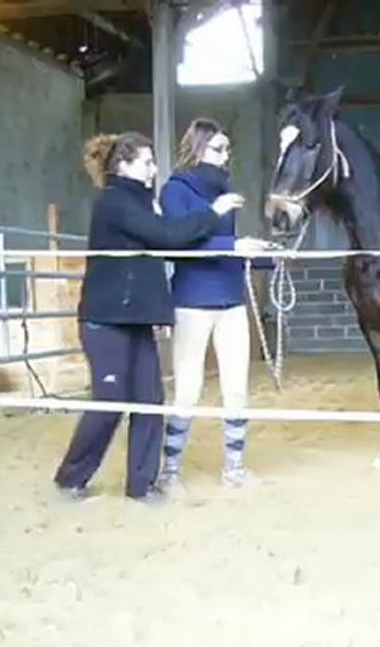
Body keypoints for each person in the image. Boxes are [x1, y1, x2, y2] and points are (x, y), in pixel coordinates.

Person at [53, 130, 250, 503]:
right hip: (106, 319)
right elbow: (168, 236)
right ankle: (71, 478)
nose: (153, 168)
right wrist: (215, 213)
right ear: (124, 166)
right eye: (146, 161)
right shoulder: (114, 202)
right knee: (111, 400)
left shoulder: (140, 202)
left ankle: (141, 486)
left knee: (149, 399)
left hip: (136, 319)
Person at [156, 118, 275, 490]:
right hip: (192, 300)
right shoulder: (175, 191)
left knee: (236, 387)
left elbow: (227, 246)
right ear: (199, 148)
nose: (226, 157)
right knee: (188, 389)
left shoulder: (224, 189)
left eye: (228, 150)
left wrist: (263, 256)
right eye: (218, 149)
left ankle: (234, 468)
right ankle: (170, 469)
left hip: (230, 297)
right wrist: (230, 241)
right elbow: (179, 242)